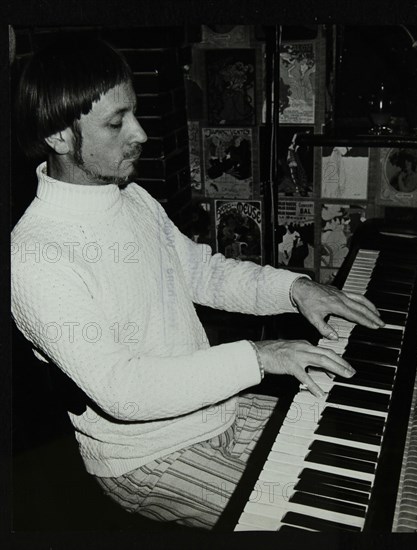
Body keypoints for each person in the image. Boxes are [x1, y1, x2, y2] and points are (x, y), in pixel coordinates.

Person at [11, 35, 384, 530]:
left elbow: (204, 273)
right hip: (149, 458)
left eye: (135, 114)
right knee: (325, 524)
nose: (140, 134)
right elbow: (123, 389)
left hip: (216, 409)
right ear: (59, 135)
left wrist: (294, 288)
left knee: (368, 460)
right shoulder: (36, 255)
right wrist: (260, 355)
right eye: (116, 123)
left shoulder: (132, 198)